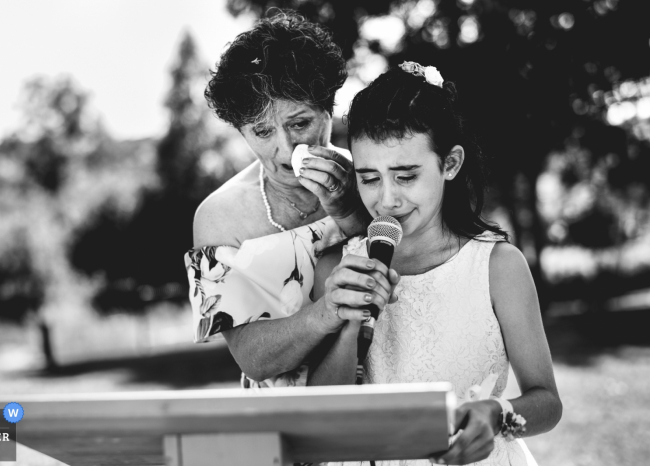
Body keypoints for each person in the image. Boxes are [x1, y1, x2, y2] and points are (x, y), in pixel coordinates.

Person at [308, 63, 563, 465]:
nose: (386, 199)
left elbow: (547, 401)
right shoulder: (337, 269)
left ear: (450, 164)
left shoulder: (497, 267)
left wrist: (496, 415)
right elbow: (320, 418)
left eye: (406, 175)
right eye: (369, 178)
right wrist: (347, 319)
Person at [186, 11, 399, 388]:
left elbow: (415, 283)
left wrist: (351, 213)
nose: (285, 149)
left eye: (299, 123)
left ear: (328, 108)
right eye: (262, 131)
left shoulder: (377, 179)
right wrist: (324, 312)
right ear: (241, 130)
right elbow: (253, 358)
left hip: (395, 381)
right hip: (286, 420)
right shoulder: (219, 217)